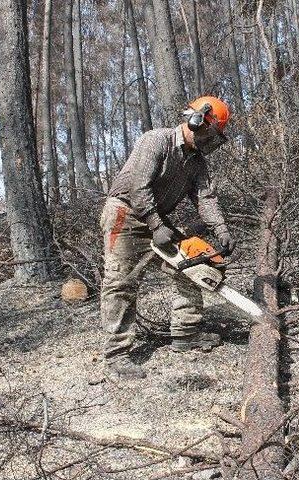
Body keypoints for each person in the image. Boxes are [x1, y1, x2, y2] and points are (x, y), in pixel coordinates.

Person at [99, 96, 235, 379]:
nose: (211, 141)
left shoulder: (196, 162)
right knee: (121, 281)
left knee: (190, 267)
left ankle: (185, 333)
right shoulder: (156, 141)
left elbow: (205, 198)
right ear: (197, 122)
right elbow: (139, 185)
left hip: (156, 218)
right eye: (210, 134)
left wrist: (221, 228)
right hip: (124, 212)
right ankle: (116, 355)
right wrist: (155, 224)